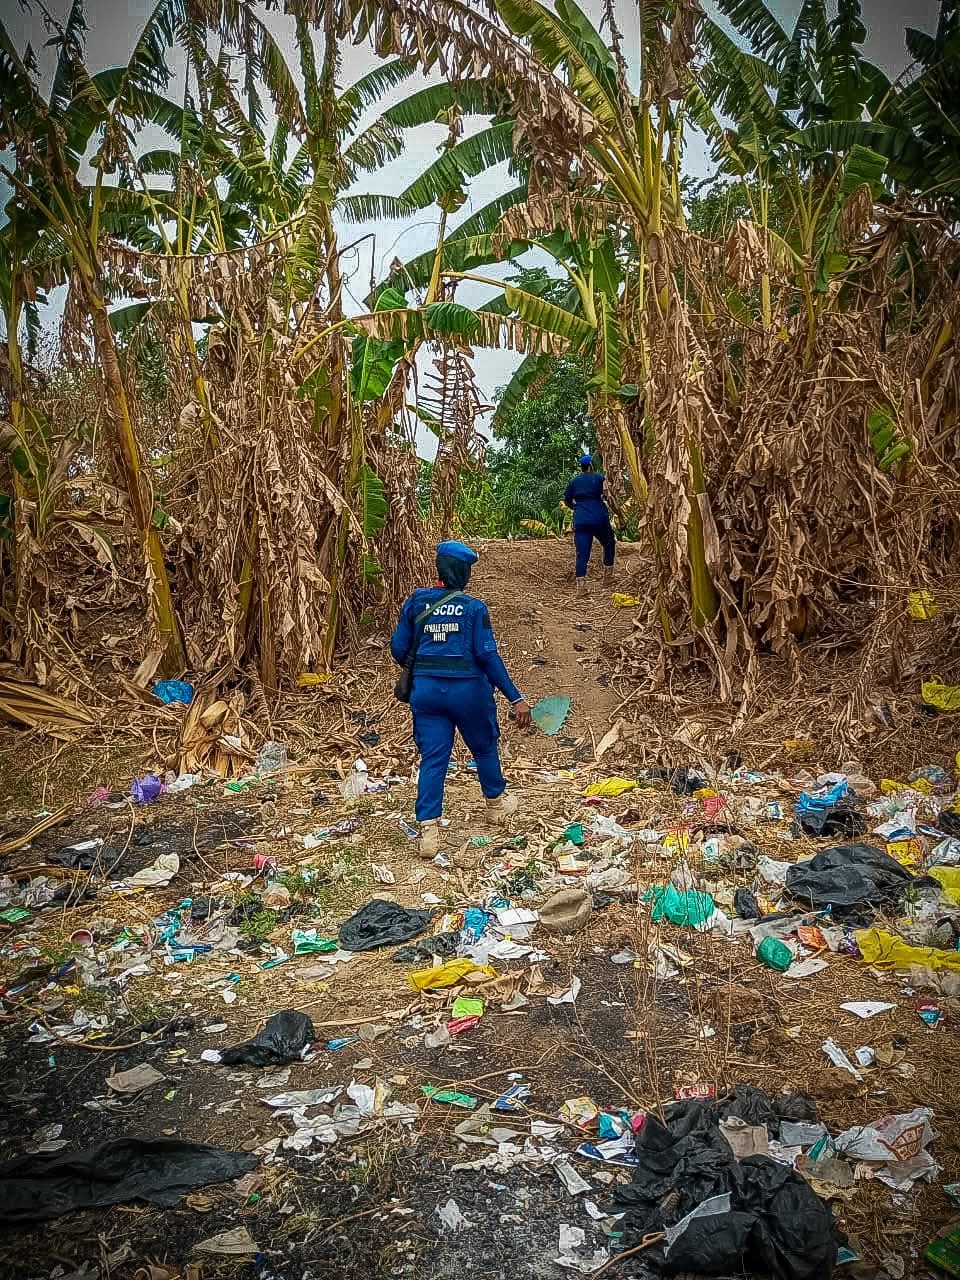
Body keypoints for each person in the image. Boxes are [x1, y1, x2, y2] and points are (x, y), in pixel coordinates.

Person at [390, 540, 532, 858]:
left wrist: (427, 669)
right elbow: (487, 656)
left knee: (434, 758)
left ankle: (428, 832)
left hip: (426, 694)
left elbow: (399, 648)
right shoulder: (473, 608)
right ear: (462, 572)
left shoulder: (416, 602)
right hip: (469, 692)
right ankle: (495, 806)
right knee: (483, 747)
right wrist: (515, 697)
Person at [563, 454, 616, 594]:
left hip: (581, 520)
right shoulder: (599, 478)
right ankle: (608, 577)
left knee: (582, 554)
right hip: (599, 518)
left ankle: (581, 587)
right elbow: (607, 495)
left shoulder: (574, 481)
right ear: (591, 465)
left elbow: (567, 500)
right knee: (609, 543)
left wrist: (577, 508)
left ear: (581, 467)